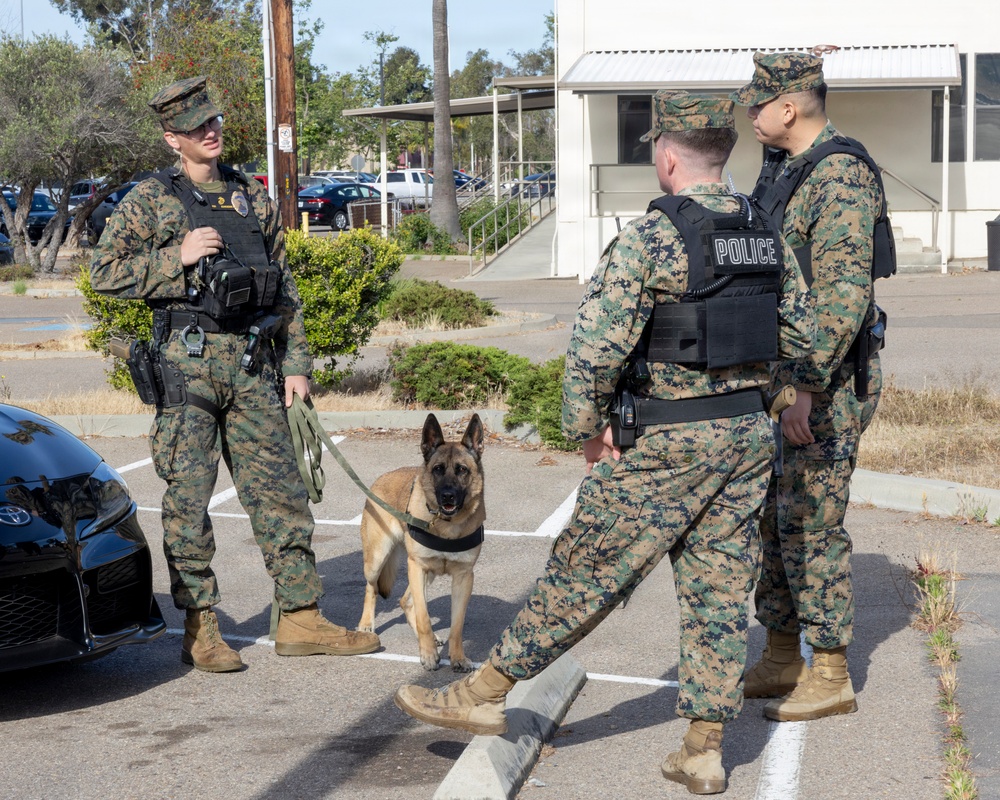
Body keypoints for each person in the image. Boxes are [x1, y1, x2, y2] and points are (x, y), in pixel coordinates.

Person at [394, 91, 815, 795]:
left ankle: (483, 692)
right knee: (717, 591)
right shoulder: (763, 233)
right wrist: (780, 392)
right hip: (746, 439)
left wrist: (587, 433)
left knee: (580, 573)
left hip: (667, 446)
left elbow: (593, 352)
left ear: (670, 157)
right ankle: (705, 748)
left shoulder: (653, 238)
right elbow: (803, 337)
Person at [90, 76, 379, 672]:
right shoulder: (149, 200)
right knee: (189, 503)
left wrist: (296, 367)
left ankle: (300, 617)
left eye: (214, 122)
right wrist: (178, 257)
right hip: (188, 371)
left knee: (281, 494)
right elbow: (104, 274)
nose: (212, 132)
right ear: (174, 139)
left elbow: (285, 286)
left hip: (253, 368)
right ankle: (201, 626)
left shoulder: (250, 197)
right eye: (198, 128)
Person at [730, 52, 884, 721]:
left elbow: (843, 298)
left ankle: (831, 670)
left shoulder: (841, 176)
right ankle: (783, 653)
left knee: (812, 523)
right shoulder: (784, 170)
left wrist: (807, 388)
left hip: (822, 383)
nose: (750, 116)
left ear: (787, 107)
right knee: (775, 519)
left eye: (756, 105)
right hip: (780, 379)